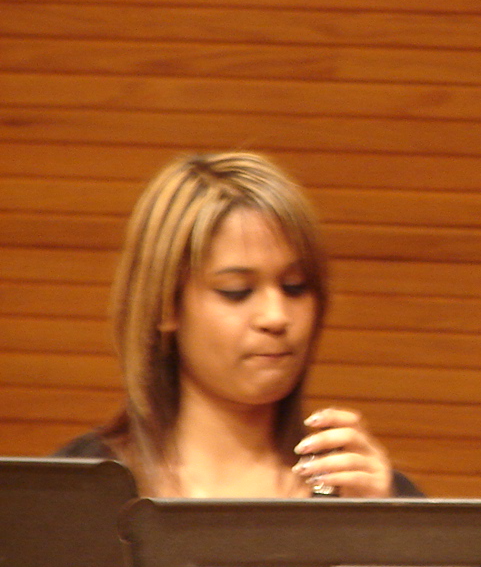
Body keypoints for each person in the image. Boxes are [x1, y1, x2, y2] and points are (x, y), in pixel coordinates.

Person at [57, 152, 419, 498]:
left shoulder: (364, 491)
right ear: (166, 304)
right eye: (237, 291)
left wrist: (385, 524)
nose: (276, 316)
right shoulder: (72, 490)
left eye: (295, 287)